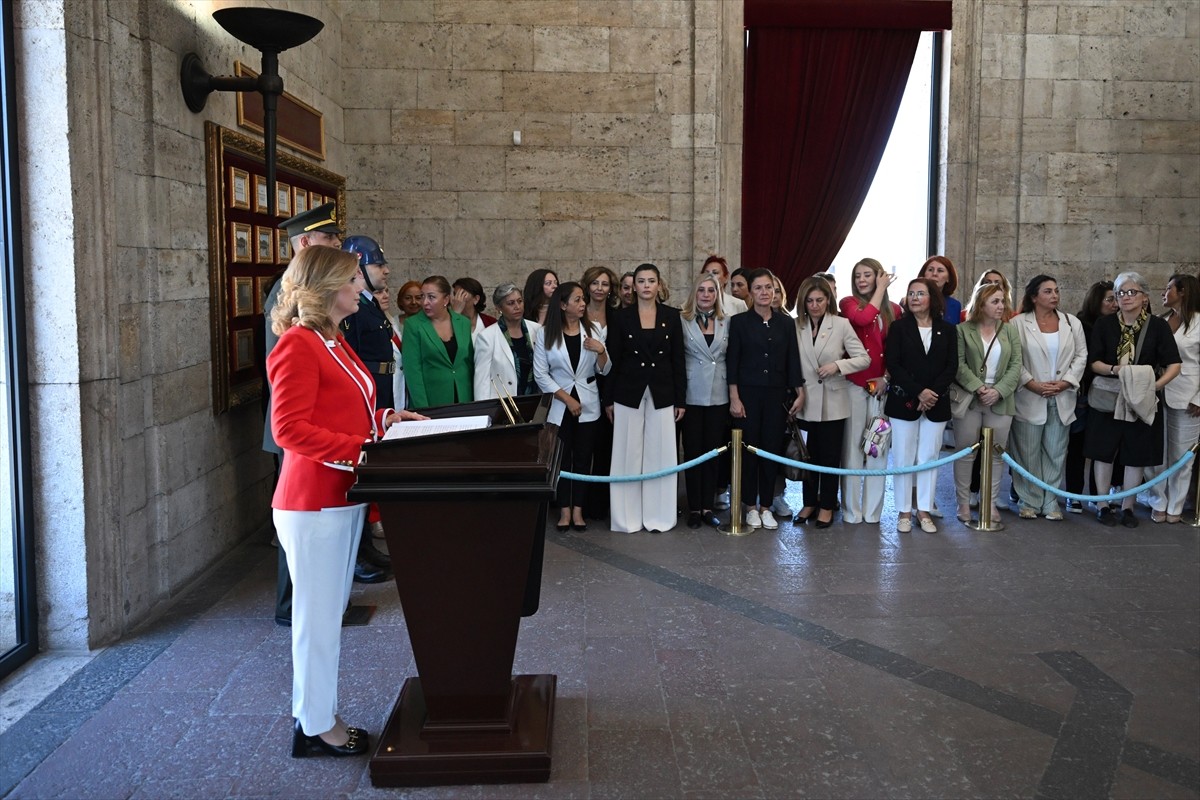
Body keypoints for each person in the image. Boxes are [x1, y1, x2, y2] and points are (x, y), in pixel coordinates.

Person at [268, 245, 426, 758]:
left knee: (326, 612)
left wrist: (387, 422)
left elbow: (352, 410)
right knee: (316, 620)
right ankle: (316, 726)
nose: (362, 288)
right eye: (353, 280)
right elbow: (289, 429)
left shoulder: (333, 341)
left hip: (342, 495)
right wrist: (365, 450)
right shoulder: (298, 343)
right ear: (327, 286)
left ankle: (312, 714)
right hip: (313, 502)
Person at [1085, 271, 1181, 528]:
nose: (1126, 297)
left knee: (1136, 451)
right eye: (1120, 293)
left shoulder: (1158, 326)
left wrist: (1152, 388)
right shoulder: (1105, 325)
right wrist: (1116, 370)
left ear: (1144, 297)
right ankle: (1103, 504)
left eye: (1131, 292)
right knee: (1103, 451)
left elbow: (1174, 364)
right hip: (1110, 395)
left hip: (1143, 399)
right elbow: (1093, 362)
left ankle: (1128, 505)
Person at [605, 263, 686, 533]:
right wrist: (608, 400)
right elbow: (613, 361)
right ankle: (626, 518)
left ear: (659, 285)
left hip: (663, 392)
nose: (647, 286)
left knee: (661, 454)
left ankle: (659, 517)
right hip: (627, 392)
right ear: (634, 286)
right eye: (641, 281)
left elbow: (678, 361)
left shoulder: (672, 317)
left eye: (652, 280)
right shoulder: (620, 318)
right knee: (627, 454)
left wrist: (681, 399)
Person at [728, 269, 805, 530]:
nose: (764, 292)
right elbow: (733, 363)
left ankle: (766, 506)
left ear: (775, 291)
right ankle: (750, 505)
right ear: (750, 292)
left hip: (776, 394)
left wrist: (799, 391)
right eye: (758, 288)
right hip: (748, 395)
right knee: (749, 449)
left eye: (768, 287)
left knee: (771, 449)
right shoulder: (739, 322)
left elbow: (792, 359)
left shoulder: (786, 323)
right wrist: (734, 397)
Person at [1008, 275, 1089, 520]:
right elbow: (1013, 360)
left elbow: (1081, 356)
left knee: (1055, 451)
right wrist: (1031, 384)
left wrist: (1065, 383)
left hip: (1061, 396)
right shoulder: (1018, 323)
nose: (1054, 295)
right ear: (1034, 296)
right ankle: (1029, 500)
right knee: (1027, 452)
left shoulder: (1071, 322)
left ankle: (1050, 500)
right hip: (1030, 396)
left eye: (1056, 290)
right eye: (1047, 291)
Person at [793, 276, 869, 528]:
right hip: (805, 400)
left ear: (828, 300)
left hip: (834, 400)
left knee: (829, 457)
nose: (814, 305)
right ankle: (809, 502)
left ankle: (827, 505)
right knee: (808, 456)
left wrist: (837, 365)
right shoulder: (795, 326)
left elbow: (863, 358)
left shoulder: (841, 324)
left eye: (820, 300)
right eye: (810, 300)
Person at [535, 282, 611, 531]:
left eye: (583, 300)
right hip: (560, 404)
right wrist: (567, 399)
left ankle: (579, 510)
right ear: (563, 304)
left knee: (583, 458)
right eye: (577, 300)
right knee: (562, 459)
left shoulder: (594, 329)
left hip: (589, 402)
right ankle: (564, 510)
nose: (583, 304)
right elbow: (541, 375)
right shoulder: (545, 334)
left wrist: (601, 351)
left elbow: (604, 369)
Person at [884, 277, 957, 533]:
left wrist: (931, 394)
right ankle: (904, 510)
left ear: (932, 298)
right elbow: (894, 364)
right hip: (905, 400)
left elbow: (951, 367)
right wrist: (919, 393)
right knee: (904, 456)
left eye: (921, 293)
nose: (915, 298)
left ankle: (924, 509)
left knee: (928, 457)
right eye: (911, 293)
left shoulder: (947, 330)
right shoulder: (899, 328)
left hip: (936, 404)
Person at [952, 283, 1022, 523]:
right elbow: (958, 365)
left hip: (1000, 400)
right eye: (995, 301)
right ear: (980, 304)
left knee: (996, 454)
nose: (1001, 306)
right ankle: (962, 503)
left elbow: (1016, 365)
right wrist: (979, 387)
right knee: (965, 453)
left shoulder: (1009, 331)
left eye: (1003, 301)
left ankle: (989, 502)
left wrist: (998, 390)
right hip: (971, 399)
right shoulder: (962, 330)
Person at [839, 258, 900, 524]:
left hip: (881, 387)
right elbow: (863, 319)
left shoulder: (895, 310)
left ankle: (873, 512)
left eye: (867, 275)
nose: (861, 280)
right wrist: (880, 289)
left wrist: (886, 377)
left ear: (878, 276)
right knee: (852, 449)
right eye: (857, 276)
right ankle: (851, 511)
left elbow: (896, 349)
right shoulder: (848, 303)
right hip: (853, 384)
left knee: (878, 448)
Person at [1146, 273, 1199, 523]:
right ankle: (1158, 499)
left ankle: (1175, 506)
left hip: (1189, 394)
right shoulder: (1160, 320)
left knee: (1182, 453)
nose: (1163, 293)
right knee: (1156, 450)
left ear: (1183, 292)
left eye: (1168, 288)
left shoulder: (1199, 322)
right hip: (1157, 392)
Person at [679, 273, 730, 529]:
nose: (707, 295)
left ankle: (708, 507)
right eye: (702, 290)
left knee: (712, 452)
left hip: (718, 393)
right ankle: (694, 508)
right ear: (694, 293)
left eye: (712, 290)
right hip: (691, 392)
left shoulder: (726, 321)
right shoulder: (682, 320)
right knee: (692, 451)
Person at [1062, 280, 1118, 511]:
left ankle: (1099, 495)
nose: (1115, 304)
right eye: (1109, 299)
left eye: (1116, 298)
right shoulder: (1080, 325)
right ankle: (1074, 493)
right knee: (1077, 446)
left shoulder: (1118, 325)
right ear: (1097, 301)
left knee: (1102, 448)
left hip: (1108, 395)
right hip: (1084, 394)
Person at [340, 235, 396, 409]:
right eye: (379, 265)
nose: (386, 270)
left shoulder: (370, 303)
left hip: (382, 386)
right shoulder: (352, 307)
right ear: (359, 270)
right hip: (368, 389)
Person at [402, 275, 474, 407]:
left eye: (431, 297)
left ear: (446, 299)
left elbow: (469, 364)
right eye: (422, 296)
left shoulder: (463, 323)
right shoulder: (413, 325)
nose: (424, 302)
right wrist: (422, 409)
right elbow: (413, 372)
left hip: (464, 398)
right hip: (432, 401)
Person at [582, 265, 619, 520]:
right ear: (587, 286)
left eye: (604, 284)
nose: (599, 288)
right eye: (595, 283)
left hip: (612, 387)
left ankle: (600, 505)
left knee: (606, 448)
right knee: (584, 449)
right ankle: (578, 503)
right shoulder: (577, 316)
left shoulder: (619, 317)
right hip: (583, 385)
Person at [473, 283, 541, 401]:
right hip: (504, 405)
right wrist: (484, 411)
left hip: (535, 399)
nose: (517, 306)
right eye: (510, 303)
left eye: (520, 301)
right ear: (498, 308)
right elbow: (481, 380)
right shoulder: (487, 337)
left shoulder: (537, 329)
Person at [918, 255, 962, 326]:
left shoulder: (955, 305)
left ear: (948, 278)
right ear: (923, 275)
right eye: (930, 270)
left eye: (940, 271)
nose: (934, 274)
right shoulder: (912, 300)